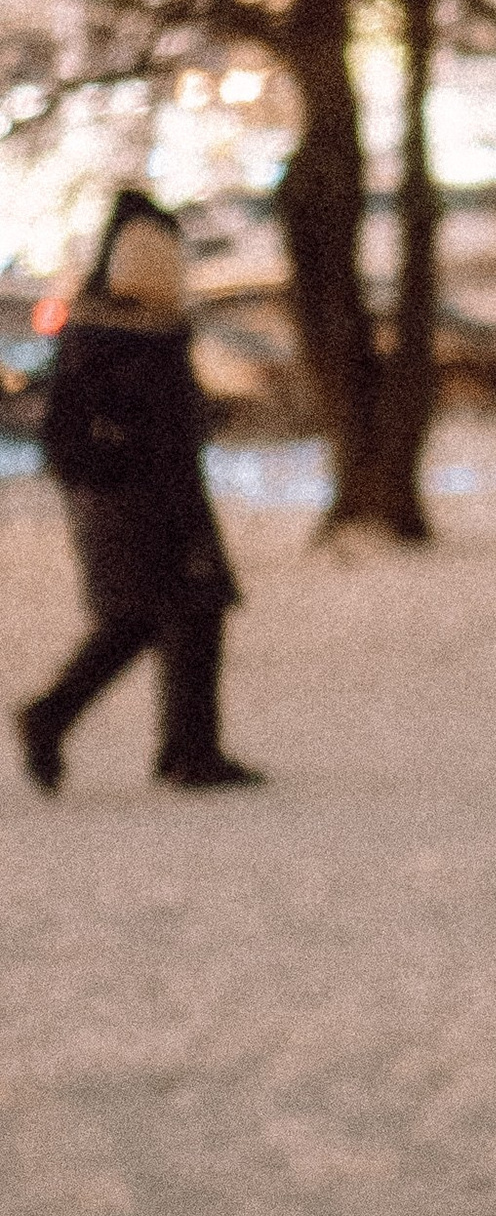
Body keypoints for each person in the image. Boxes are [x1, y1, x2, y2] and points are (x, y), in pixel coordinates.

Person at [17, 189, 263, 794]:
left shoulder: (134, 332)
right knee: (182, 612)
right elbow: (73, 434)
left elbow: (165, 422)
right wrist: (121, 467)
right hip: (141, 504)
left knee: (150, 619)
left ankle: (157, 742)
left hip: (151, 497)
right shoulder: (120, 337)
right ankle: (183, 750)